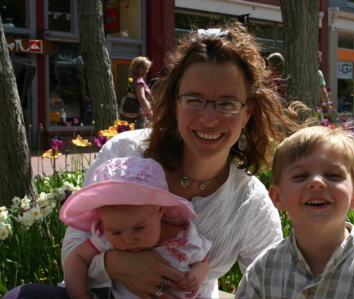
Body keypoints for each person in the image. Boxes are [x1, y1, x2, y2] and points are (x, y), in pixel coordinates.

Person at [4, 23, 302, 299]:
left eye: (226, 103)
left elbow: (270, 282)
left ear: (247, 112)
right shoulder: (125, 154)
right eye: (194, 100)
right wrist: (113, 264)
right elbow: (75, 244)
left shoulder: (250, 204)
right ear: (175, 103)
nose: (209, 118)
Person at [236, 126, 354, 298]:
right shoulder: (263, 271)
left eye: (333, 176)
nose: (316, 182)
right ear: (277, 197)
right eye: (300, 176)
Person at [60, 157, 211, 299]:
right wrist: (79, 295)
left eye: (139, 228)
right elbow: (77, 257)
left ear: (159, 211)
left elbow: (202, 262)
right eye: (116, 232)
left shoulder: (183, 236)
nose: (128, 239)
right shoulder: (105, 237)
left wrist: (196, 275)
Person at [120, 56, 153, 128]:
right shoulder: (139, 81)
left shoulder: (132, 79)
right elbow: (141, 98)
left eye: (147, 69)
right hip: (138, 117)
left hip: (130, 115)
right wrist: (150, 113)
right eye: (143, 68)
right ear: (136, 68)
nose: (146, 71)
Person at [318, 51, 331, 117]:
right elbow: (322, 91)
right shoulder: (318, 73)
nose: (320, 60)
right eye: (318, 58)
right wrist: (329, 108)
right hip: (314, 107)